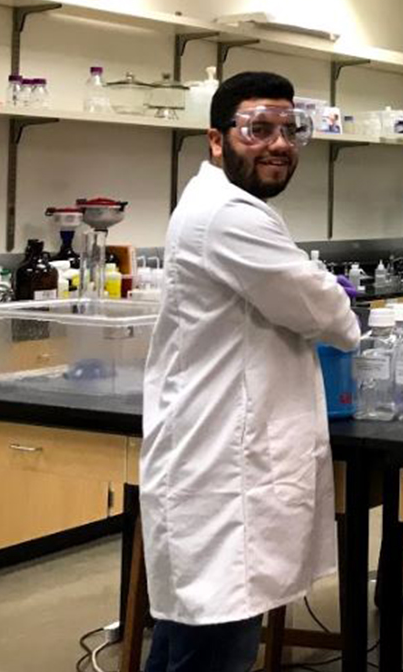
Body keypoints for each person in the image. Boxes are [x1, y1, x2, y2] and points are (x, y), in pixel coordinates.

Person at [140, 71, 361, 672]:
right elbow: (330, 315)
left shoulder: (221, 204)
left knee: (188, 640)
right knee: (215, 645)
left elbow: (299, 297)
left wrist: (312, 286)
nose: (279, 143)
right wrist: (327, 293)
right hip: (220, 468)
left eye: (290, 129)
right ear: (217, 140)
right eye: (257, 129)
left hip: (217, 453)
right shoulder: (230, 216)